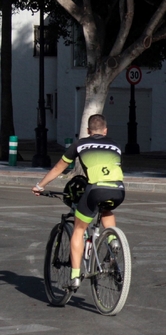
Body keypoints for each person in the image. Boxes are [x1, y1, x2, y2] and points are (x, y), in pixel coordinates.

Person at [32, 114, 125, 290]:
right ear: (105, 131)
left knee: (79, 228)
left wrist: (40, 185)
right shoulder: (116, 144)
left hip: (96, 189)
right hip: (118, 190)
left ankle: (75, 276)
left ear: (88, 131)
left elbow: (59, 168)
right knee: (106, 209)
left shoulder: (80, 144)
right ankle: (113, 239)